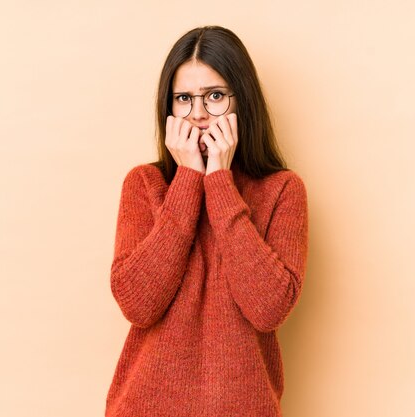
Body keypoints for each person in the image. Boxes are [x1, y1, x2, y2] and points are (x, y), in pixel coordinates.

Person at [104, 25, 309, 417]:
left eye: (214, 96)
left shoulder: (283, 191)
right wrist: (188, 179)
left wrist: (218, 180)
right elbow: (137, 304)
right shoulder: (144, 185)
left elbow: (267, 308)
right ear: (169, 107)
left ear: (241, 102)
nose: (198, 114)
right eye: (184, 98)